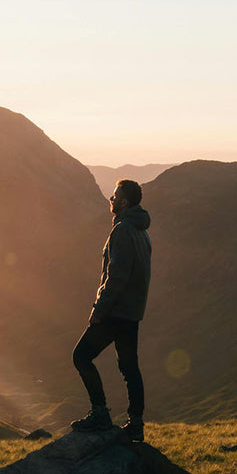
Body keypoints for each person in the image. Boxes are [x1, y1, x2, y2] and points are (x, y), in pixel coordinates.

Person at [70, 179, 152, 441]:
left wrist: (99, 310)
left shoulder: (122, 231)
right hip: (131, 313)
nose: (111, 199)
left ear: (124, 201)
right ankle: (136, 424)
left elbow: (115, 277)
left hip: (115, 311)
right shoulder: (142, 232)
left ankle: (100, 413)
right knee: (129, 367)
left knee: (81, 356)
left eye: (115, 196)